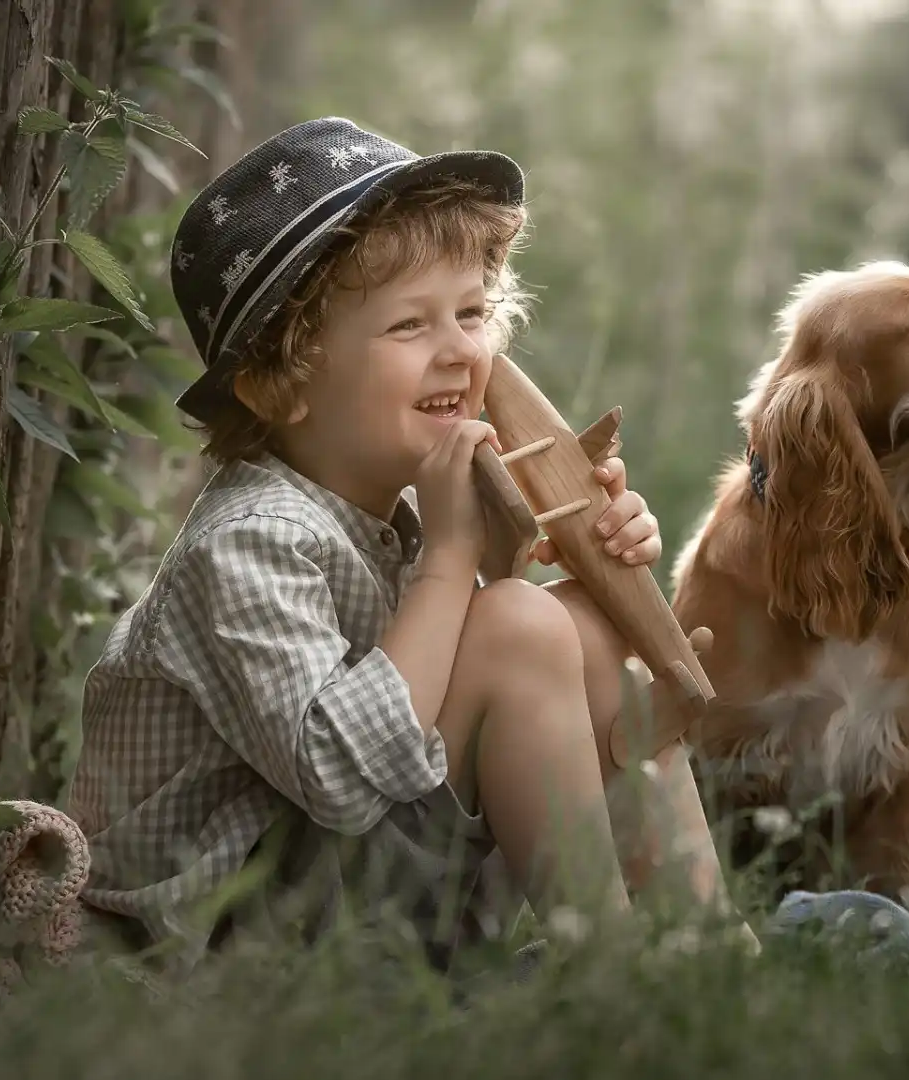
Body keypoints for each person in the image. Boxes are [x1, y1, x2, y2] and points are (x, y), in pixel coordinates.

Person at [67, 117, 754, 974]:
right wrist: (454, 559)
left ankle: (710, 948)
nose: (462, 350)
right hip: (229, 953)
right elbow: (342, 775)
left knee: (578, 623)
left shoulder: (390, 510)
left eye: (471, 312)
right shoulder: (246, 547)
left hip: (340, 894)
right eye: (408, 327)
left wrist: (582, 553)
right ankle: (612, 977)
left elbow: (453, 684)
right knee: (520, 627)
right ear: (281, 382)